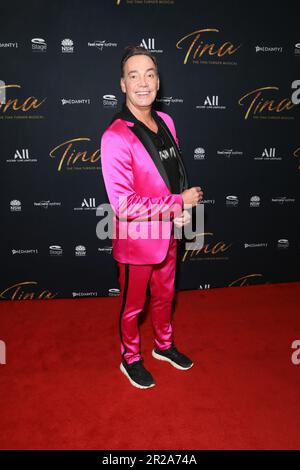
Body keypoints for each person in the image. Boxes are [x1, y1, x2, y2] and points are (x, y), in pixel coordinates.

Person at [101, 45, 203, 389]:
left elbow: (172, 172)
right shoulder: (115, 136)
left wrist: (183, 211)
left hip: (169, 233)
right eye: (134, 75)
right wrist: (177, 202)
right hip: (136, 242)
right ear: (122, 84)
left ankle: (164, 345)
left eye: (149, 74)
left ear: (158, 81)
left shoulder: (168, 121)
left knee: (165, 296)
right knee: (133, 307)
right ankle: (130, 358)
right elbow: (123, 205)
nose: (143, 82)